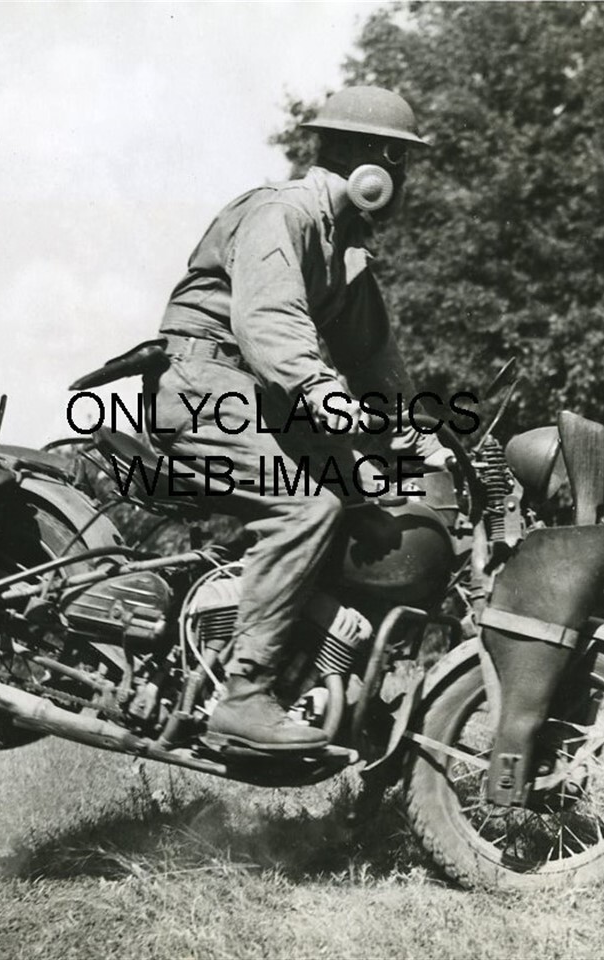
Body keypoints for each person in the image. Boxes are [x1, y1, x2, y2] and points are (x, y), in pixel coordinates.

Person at [151, 86, 450, 752]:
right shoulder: (281, 215)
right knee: (306, 503)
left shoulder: (345, 249)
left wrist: (422, 442)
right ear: (369, 163)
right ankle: (244, 694)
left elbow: (377, 360)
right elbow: (269, 320)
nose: (403, 179)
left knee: (377, 496)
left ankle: (337, 676)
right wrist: (320, 389)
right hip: (204, 382)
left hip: (251, 395)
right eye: (398, 161)